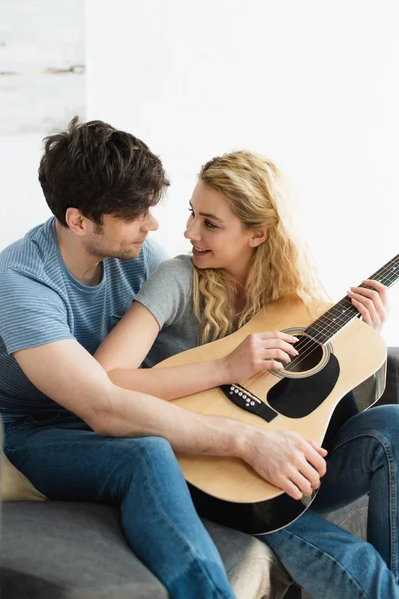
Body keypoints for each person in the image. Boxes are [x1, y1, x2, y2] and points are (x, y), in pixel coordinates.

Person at [93, 150, 398, 599]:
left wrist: (363, 341)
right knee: (359, 566)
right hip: (207, 473)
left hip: (286, 467)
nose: (189, 232)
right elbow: (104, 379)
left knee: (393, 422)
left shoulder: (293, 300)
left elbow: (321, 409)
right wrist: (225, 367)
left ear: (258, 233)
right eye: (192, 214)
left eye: (210, 223)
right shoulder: (177, 278)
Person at [0, 118, 255, 599]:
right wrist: (243, 441)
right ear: (78, 221)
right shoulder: (21, 282)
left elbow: (207, 332)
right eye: (136, 214)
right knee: (148, 452)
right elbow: (101, 406)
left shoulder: (133, 253)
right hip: (44, 433)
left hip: (123, 408)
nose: (154, 224)